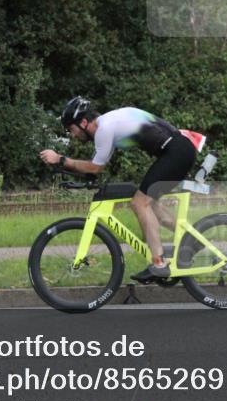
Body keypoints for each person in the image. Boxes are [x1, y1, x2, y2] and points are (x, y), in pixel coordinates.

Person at [39, 97, 206, 281]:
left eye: (72, 129)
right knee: (151, 205)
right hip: (179, 149)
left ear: (84, 122)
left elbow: (95, 167)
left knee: (139, 203)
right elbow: (97, 167)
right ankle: (193, 240)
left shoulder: (105, 129)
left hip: (176, 152)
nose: (73, 135)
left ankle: (159, 263)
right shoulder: (109, 125)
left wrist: (61, 159)